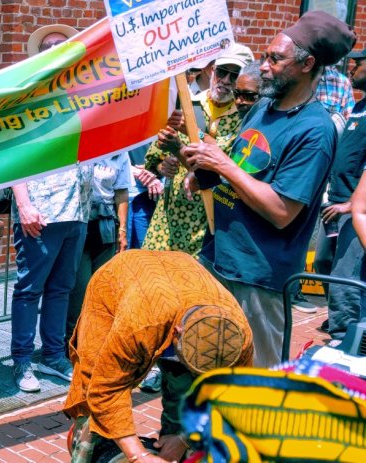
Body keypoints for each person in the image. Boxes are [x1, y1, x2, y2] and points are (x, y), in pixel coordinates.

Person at [183, 11, 353, 367]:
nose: (263, 66)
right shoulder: (262, 107)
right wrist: (203, 173)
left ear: (307, 64)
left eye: (275, 59)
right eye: (265, 55)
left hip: (258, 278)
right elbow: (241, 170)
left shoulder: (315, 130)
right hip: (217, 258)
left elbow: (280, 212)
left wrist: (223, 165)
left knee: (251, 381)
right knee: (203, 368)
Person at [65, 250, 253, 463]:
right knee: (93, 390)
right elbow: (106, 389)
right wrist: (139, 455)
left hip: (179, 280)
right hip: (118, 281)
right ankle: (84, 447)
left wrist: (183, 440)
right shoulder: (140, 325)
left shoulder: (240, 337)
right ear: (179, 331)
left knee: (183, 390)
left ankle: (171, 448)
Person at [10, 23, 88, 394]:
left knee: (61, 288)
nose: (56, 50)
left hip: (77, 209)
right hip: (41, 211)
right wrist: (23, 203)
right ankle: (22, 359)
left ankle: (53, 355)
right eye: (49, 46)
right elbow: (12, 156)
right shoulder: (28, 99)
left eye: (62, 46)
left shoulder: (84, 96)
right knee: (29, 289)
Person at [143, 44, 255, 256]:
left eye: (234, 76)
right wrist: (161, 166)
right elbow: (154, 156)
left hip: (209, 222)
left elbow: (223, 164)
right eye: (222, 72)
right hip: (168, 219)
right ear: (212, 69)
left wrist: (191, 137)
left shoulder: (245, 116)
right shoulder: (188, 103)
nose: (225, 81)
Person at [318, 48, 366, 342]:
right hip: (333, 204)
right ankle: (342, 320)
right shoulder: (359, 107)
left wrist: (352, 205)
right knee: (323, 263)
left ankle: (346, 337)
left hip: (353, 208)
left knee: (347, 277)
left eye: (359, 63)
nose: (352, 67)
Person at [64, 152, 133, 341]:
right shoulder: (83, 144)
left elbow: (121, 193)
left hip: (105, 226)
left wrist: (123, 231)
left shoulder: (120, 153)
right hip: (78, 221)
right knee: (80, 288)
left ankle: (95, 339)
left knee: (102, 287)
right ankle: (72, 340)